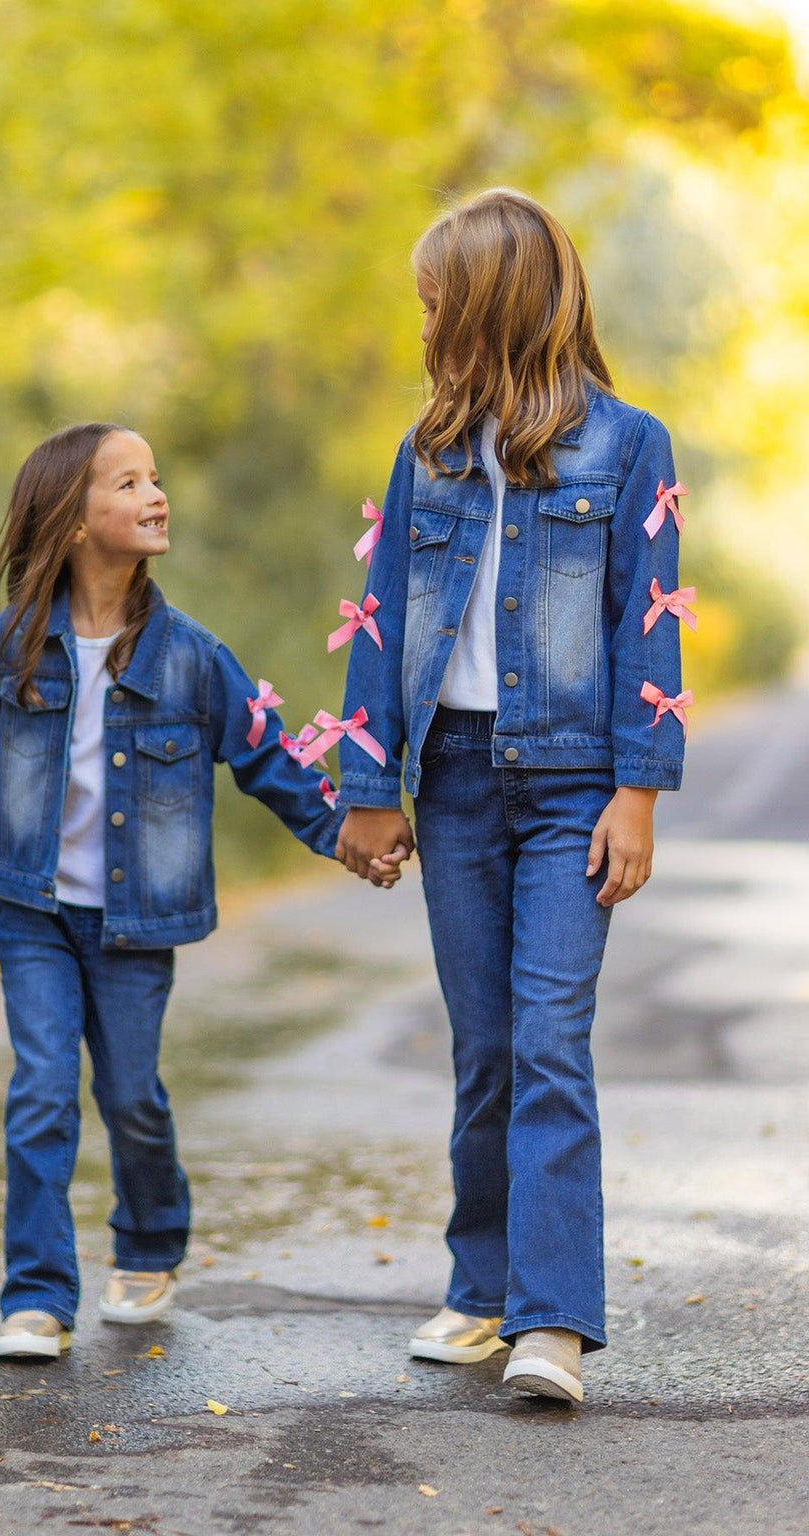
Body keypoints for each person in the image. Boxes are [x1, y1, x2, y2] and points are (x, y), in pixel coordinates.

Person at [0, 423, 385, 1359]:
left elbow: (270, 760)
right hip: (34, 913)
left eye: (157, 478)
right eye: (128, 484)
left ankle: (151, 1241)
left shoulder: (193, 658)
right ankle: (37, 1297)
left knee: (129, 1094)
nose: (156, 495)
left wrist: (344, 837)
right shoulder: (9, 650)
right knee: (42, 1091)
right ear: (73, 522)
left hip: (135, 924)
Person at [334, 188, 691, 1404]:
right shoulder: (424, 450)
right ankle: (480, 1288)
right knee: (483, 1048)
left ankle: (552, 1321)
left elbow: (649, 625)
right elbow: (376, 630)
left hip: (570, 786)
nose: (424, 321)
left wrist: (637, 792)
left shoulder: (628, 444)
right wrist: (369, 788)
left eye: (436, 301)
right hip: (451, 785)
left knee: (548, 1039)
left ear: (489, 306)